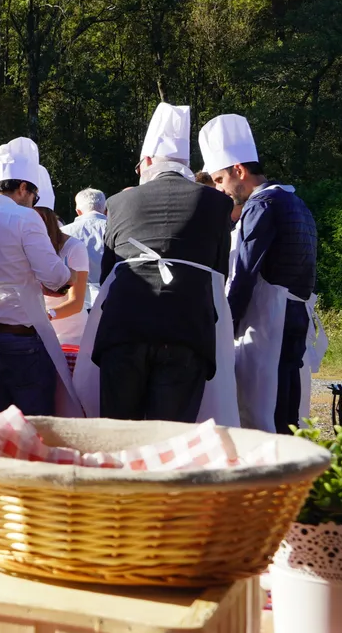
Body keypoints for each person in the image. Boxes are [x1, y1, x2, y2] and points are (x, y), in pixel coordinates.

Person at [81, 103, 234, 423]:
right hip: (186, 329)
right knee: (171, 439)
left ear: (148, 161)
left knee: (118, 436)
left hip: (124, 327)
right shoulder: (218, 204)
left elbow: (109, 275)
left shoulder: (119, 202)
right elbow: (220, 273)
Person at [200, 114, 321, 433]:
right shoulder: (296, 202)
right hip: (297, 317)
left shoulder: (261, 206)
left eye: (218, 180)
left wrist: (227, 324)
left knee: (260, 413)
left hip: (268, 324)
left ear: (238, 171)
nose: (218, 189)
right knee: (289, 412)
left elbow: (244, 272)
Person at [0, 138, 72, 416]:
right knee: (34, 425)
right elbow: (54, 276)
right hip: (19, 339)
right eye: (34, 196)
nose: (34, 203)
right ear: (23, 188)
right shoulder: (25, 217)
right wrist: (67, 276)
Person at [37, 172, 90, 359]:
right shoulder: (22, 247)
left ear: (46, 219)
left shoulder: (74, 248)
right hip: (35, 337)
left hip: (70, 339)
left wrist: (45, 315)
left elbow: (76, 303)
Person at [60, 188, 107, 304]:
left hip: (73, 301)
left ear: (78, 211)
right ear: (105, 210)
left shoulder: (63, 233)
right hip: (111, 298)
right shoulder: (117, 229)